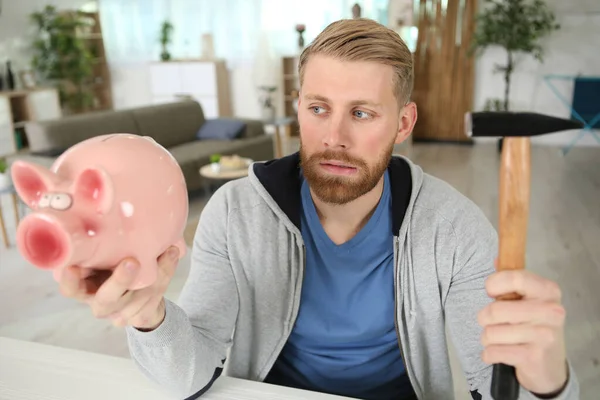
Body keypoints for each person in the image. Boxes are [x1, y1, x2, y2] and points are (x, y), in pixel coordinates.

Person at [58, 18, 579, 400]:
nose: (334, 137)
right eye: (319, 108)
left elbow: (495, 385)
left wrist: (547, 381)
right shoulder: (234, 213)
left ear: (403, 122)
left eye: (362, 113)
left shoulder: (455, 228)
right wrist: (150, 317)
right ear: (298, 106)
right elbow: (190, 375)